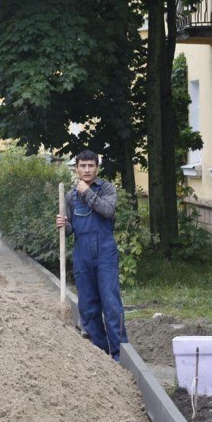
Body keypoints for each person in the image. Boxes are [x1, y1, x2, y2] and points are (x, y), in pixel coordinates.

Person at [55, 150, 127, 361]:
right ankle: (101, 353)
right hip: (82, 255)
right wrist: (62, 224)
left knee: (111, 305)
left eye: (91, 166)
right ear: (76, 168)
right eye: (83, 166)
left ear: (97, 168)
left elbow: (108, 211)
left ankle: (120, 354)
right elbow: (69, 230)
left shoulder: (106, 189)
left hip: (105, 253)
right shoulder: (70, 197)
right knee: (87, 308)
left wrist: (87, 192)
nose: (87, 170)